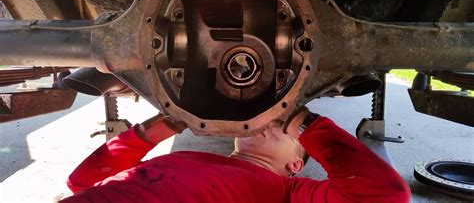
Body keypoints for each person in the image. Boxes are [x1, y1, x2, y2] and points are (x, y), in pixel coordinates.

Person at [60, 107, 410, 202]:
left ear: (295, 164)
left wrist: (297, 117)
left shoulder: (289, 192)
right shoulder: (188, 159)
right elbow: (82, 182)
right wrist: (165, 122)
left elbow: (386, 196)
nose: (274, 125)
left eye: (284, 133)